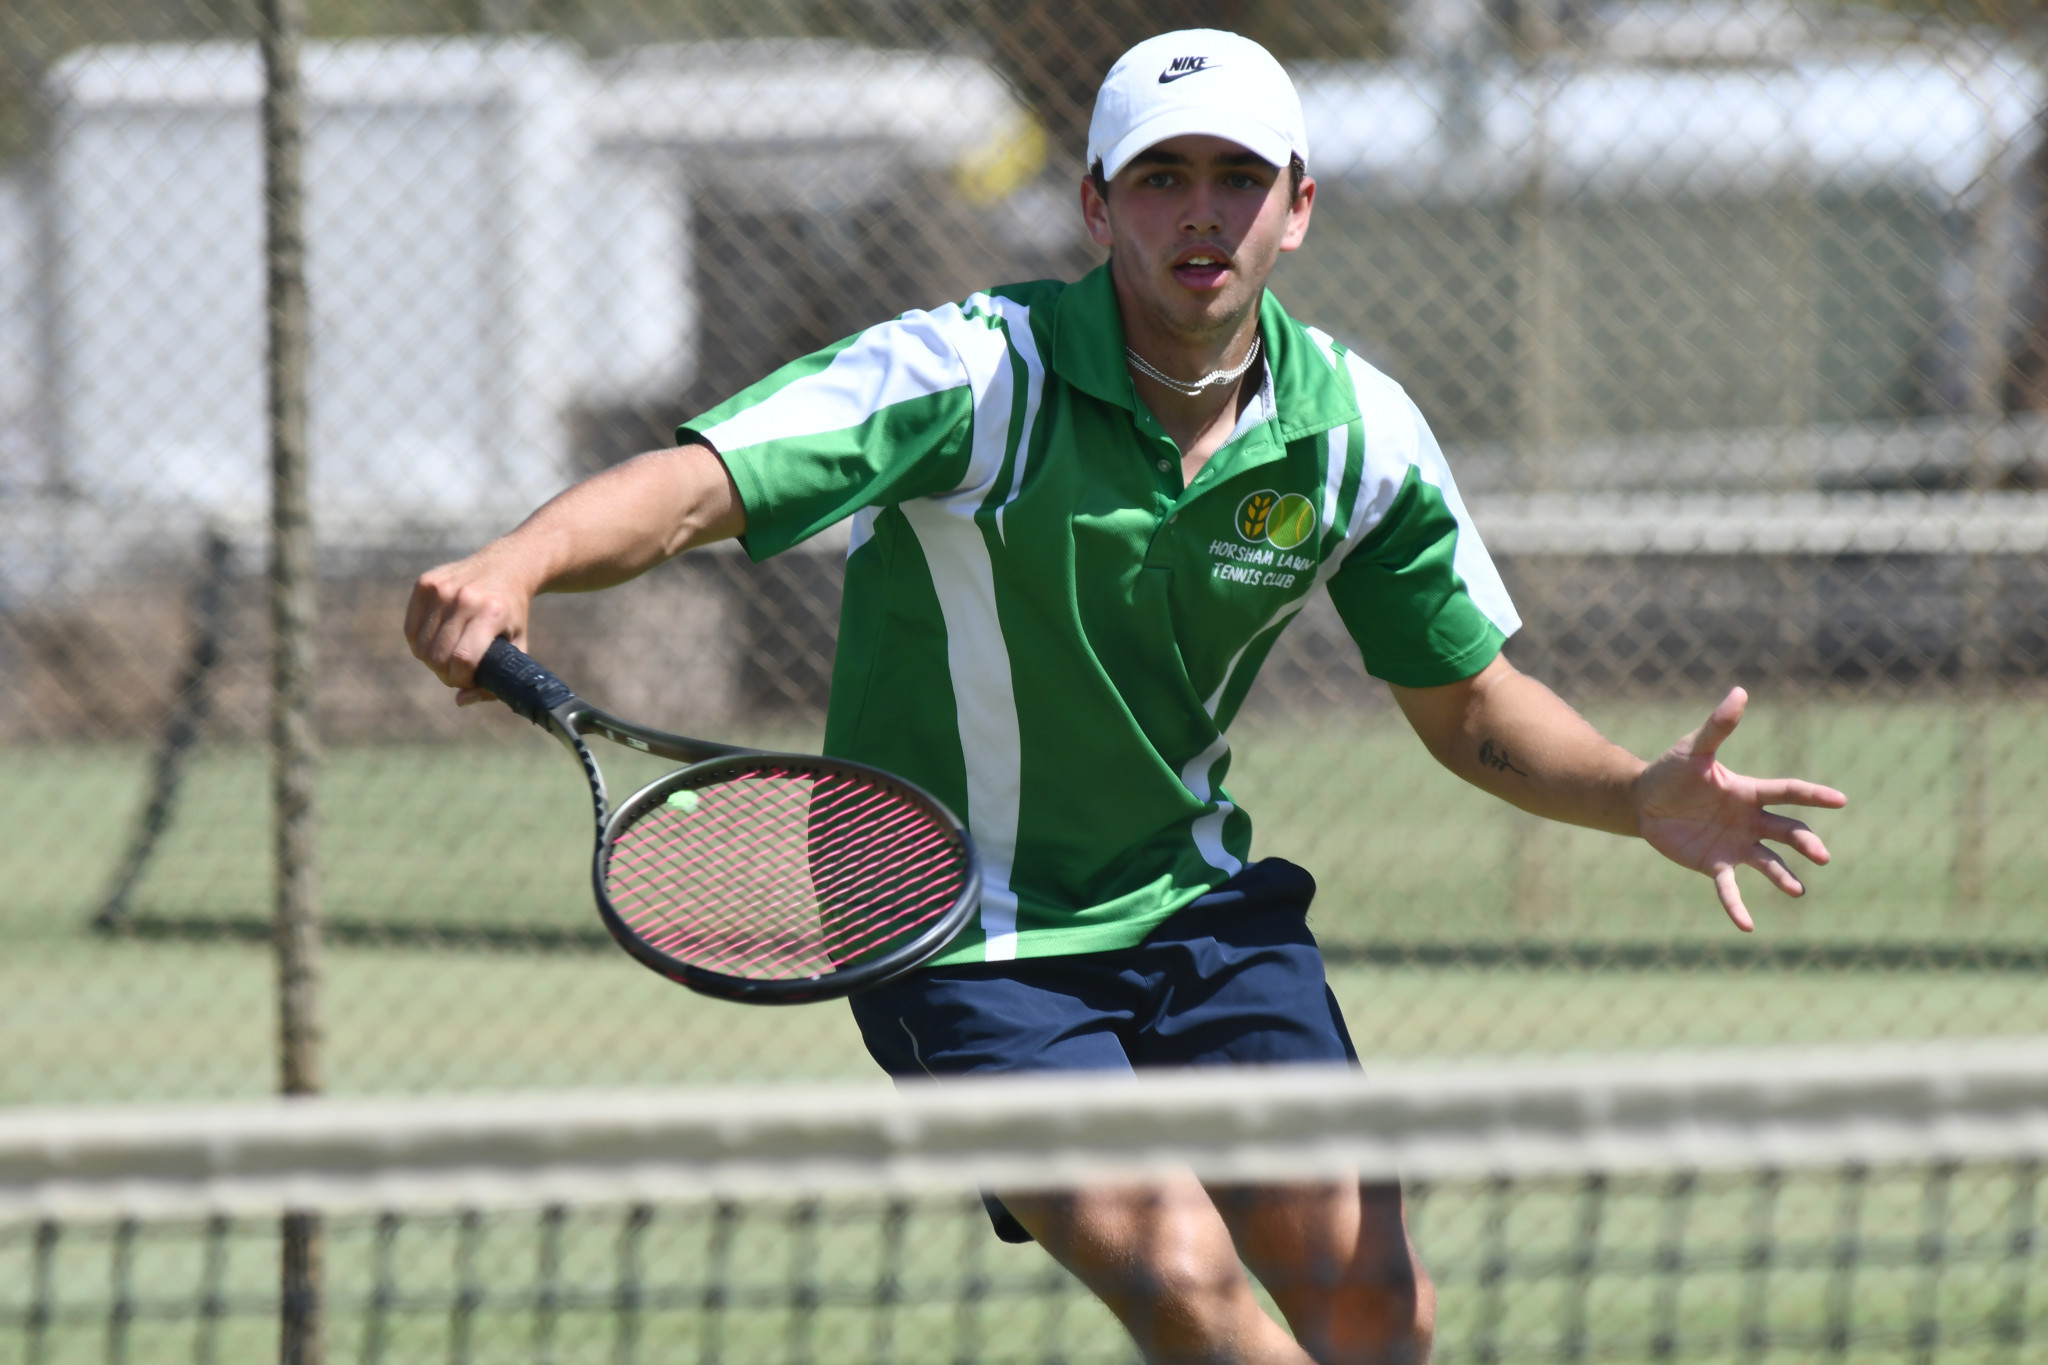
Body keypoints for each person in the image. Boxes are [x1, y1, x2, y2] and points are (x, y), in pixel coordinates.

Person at [405, 29, 1846, 1364]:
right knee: (1198, 1295)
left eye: (1236, 177)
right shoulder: (972, 372)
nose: (1200, 213)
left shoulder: (1356, 435)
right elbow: (701, 489)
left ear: (1300, 205)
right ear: (1098, 207)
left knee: (1376, 1311)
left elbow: (1469, 705)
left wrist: (1633, 791)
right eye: (1162, 178)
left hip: (1196, 915)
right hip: (950, 934)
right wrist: (523, 559)